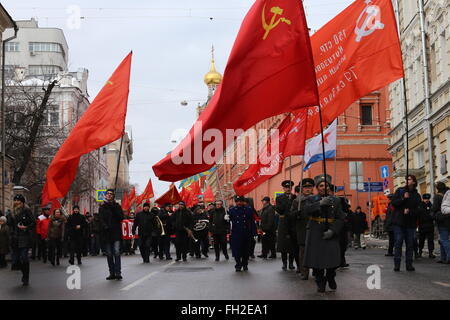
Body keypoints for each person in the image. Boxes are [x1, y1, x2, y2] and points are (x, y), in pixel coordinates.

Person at [303, 175, 346, 293]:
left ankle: (331, 277)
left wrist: (333, 230)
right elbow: (305, 211)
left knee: (333, 260)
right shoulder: (311, 199)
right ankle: (320, 281)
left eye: (326, 185)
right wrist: (320, 203)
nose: (324, 187)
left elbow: (341, 218)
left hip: (331, 232)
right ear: (317, 187)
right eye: (321, 185)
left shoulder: (336, 200)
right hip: (316, 232)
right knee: (317, 261)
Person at [391, 175, 421, 271]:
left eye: (409, 179)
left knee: (410, 244)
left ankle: (409, 264)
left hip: (410, 223)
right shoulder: (400, 191)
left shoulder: (417, 195)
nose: (407, 181)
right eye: (406, 179)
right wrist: (403, 198)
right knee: (398, 243)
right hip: (399, 222)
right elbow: (393, 203)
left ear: (414, 182)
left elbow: (419, 210)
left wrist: (410, 212)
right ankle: (397, 264)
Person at [291, 178, 315, 279]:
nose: (308, 189)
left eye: (309, 187)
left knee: (315, 251)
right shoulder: (297, 201)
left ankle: (317, 270)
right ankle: (304, 272)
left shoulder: (317, 199)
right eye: (305, 187)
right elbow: (291, 215)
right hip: (302, 228)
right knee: (303, 252)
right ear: (302, 189)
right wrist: (297, 213)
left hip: (315, 228)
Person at [9, 194, 35, 286]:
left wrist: (26, 227)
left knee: (24, 257)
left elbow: (33, 222)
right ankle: (23, 272)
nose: (16, 202)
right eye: (15, 201)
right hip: (15, 238)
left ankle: (25, 277)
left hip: (24, 237)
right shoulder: (11, 212)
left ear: (22, 202)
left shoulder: (27, 210)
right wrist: (11, 234)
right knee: (16, 260)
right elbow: (10, 224)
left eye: (18, 201)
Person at [99, 189, 124, 280]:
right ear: (105, 196)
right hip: (107, 234)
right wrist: (105, 226)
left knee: (117, 252)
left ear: (113, 196)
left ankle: (118, 273)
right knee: (109, 254)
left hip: (116, 233)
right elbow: (100, 219)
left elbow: (121, 217)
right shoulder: (102, 207)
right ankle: (112, 273)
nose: (109, 195)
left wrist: (114, 209)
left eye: (111, 194)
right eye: (108, 194)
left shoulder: (117, 206)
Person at [229, 196, 257, 272]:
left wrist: (254, 233)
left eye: (241, 201)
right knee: (236, 251)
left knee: (245, 251)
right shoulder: (232, 210)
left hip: (246, 233)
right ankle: (238, 264)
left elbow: (252, 222)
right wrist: (226, 219)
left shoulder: (248, 210)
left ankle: (245, 264)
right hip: (236, 233)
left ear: (243, 202)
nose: (239, 203)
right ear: (235, 202)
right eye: (237, 201)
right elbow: (228, 222)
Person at [276, 180, 298, 271]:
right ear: (284, 188)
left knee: (292, 244)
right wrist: (287, 201)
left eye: (290, 187)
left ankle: (291, 263)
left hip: (293, 222)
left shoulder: (295, 197)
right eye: (286, 187)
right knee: (283, 244)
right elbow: (279, 210)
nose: (288, 189)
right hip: (283, 221)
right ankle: (284, 263)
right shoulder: (279, 198)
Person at [417, 193, 435, 258]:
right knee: (421, 240)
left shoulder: (431, 205)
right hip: (422, 225)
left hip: (430, 225)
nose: (426, 200)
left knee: (430, 240)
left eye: (427, 199)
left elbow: (433, 214)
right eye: (425, 199)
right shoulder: (420, 205)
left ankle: (431, 253)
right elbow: (418, 215)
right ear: (423, 199)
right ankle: (420, 252)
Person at [438, 185, 450, 263]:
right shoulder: (449, 193)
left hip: (443, 222)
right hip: (444, 221)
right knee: (444, 240)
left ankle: (444, 257)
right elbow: (444, 208)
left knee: (444, 240)